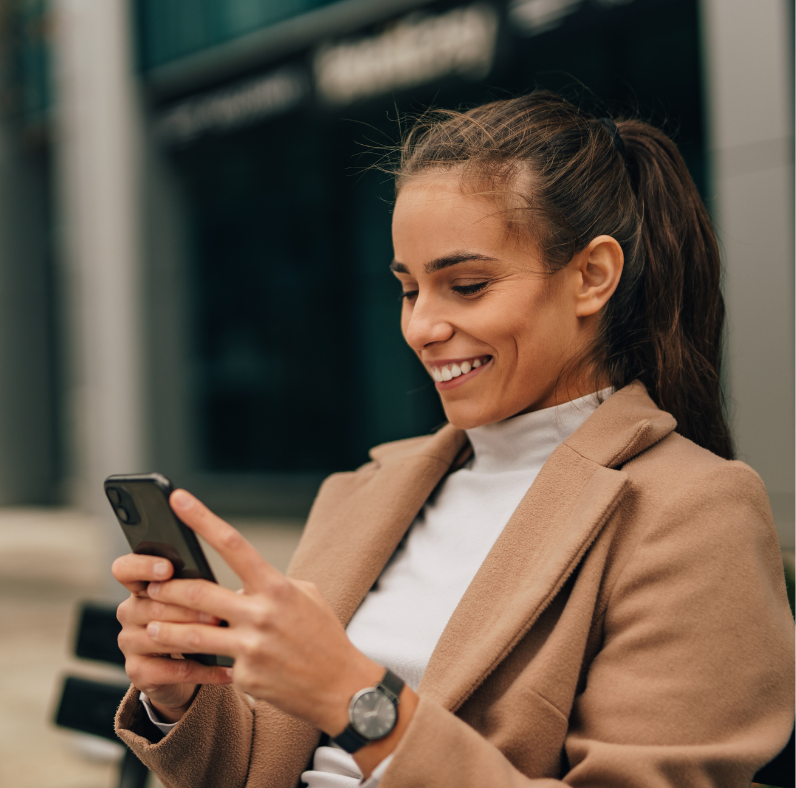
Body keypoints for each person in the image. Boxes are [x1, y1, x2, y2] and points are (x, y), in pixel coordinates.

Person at [110, 93, 794, 787]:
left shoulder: (693, 513)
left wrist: (356, 698)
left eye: (466, 286)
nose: (421, 328)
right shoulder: (365, 491)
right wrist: (183, 696)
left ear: (592, 277)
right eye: (409, 290)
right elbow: (266, 767)